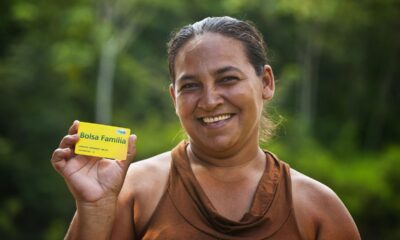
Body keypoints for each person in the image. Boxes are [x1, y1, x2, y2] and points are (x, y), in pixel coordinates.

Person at [51, 16, 361, 240]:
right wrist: (94, 208)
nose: (210, 100)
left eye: (227, 79)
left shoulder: (318, 208)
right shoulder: (132, 192)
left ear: (265, 82)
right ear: (174, 97)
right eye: (191, 86)